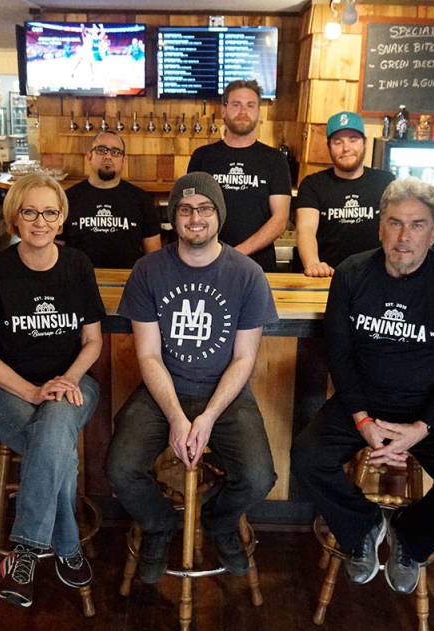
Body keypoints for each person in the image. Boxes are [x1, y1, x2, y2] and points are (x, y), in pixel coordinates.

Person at [291, 177, 434, 594]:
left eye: (417, 225)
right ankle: (362, 527)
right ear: (380, 226)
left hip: (428, 413)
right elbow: (339, 354)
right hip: (360, 403)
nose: (404, 236)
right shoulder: (350, 273)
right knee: (307, 457)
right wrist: (363, 419)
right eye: (395, 222)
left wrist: (420, 428)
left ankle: (409, 538)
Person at [106, 172, 278, 584]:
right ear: (173, 218)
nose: (195, 217)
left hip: (225, 394)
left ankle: (217, 523)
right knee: (120, 469)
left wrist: (207, 417)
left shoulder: (248, 274)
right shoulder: (148, 270)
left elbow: (243, 359)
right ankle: (160, 525)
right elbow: (147, 354)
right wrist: (178, 417)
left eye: (204, 209)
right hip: (163, 390)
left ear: (218, 215)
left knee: (259, 477)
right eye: (185, 209)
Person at [0, 172, 105, 609]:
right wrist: (29, 391)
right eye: (30, 212)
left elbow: (93, 342)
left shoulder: (77, 265)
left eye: (49, 212)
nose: (40, 222)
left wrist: (68, 378)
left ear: (61, 218)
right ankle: (65, 546)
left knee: (56, 423)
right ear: (15, 219)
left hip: (74, 381)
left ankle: (25, 548)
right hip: (7, 390)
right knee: (56, 445)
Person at [187, 80, 292, 272]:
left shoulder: (275, 159)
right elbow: (190, 212)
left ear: (259, 112)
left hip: (258, 266)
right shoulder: (202, 157)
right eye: (236, 105)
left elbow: (280, 220)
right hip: (207, 263)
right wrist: (212, 255)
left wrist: (235, 254)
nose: (243, 112)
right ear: (224, 110)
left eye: (250, 105)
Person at [294, 111, 395, 277]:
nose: (346, 148)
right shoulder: (313, 184)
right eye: (338, 142)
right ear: (329, 146)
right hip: (328, 277)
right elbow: (306, 229)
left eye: (353, 140)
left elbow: (396, 227)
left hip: (375, 277)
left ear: (365, 143)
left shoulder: (385, 182)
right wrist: (313, 263)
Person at [60, 131, 162, 268]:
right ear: (89, 156)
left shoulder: (141, 199)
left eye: (115, 152)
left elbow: (154, 257)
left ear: (124, 160)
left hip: (128, 282)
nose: (108, 156)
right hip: (78, 282)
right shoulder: (68, 198)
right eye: (101, 150)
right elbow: (57, 251)